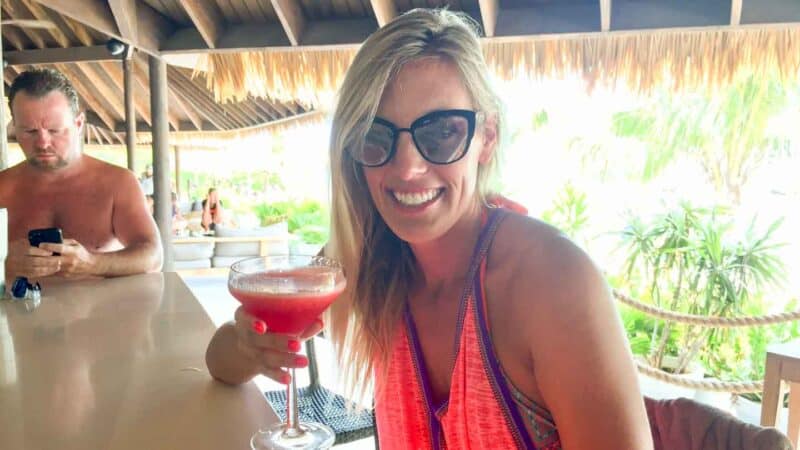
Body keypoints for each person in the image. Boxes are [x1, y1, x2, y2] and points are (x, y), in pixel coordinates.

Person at [206, 9, 652, 449]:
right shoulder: (362, 261)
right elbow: (218, 362)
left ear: (487, 138)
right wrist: (252, 344)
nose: (408, 167)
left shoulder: (550, 282)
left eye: (440, 133)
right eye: (376, 135)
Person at [0, 68, 163, 283]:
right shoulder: (3, 187)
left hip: (101, 315)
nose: (42, 143)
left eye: (55, 130)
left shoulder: (117, 183)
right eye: (29, 131)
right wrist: (4, 264)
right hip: (17, 315)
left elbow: (153, 257)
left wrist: (91, 263)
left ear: (78, 124)